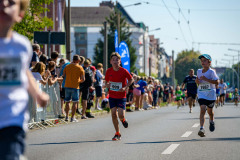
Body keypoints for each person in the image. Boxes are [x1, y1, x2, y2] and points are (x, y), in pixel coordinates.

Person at [0, 0, 49, 159]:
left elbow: (25, 73)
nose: (4, 5)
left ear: (20, 14)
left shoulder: (22, 45)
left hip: (12, 116)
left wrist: (38, 94)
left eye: (11, 2)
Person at [105, 52, 133, 141]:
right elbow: (106, 82)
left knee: (120, 115)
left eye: (117, 60)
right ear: (110, 61)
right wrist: (107, 85)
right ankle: (117, 133)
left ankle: (123, 120)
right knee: (113, 114)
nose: (115, 61)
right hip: (112, 96)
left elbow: (131, 79)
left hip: (121, 96)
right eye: (113, 60)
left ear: (120, 61)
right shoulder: (108, 71)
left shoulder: (123, 71)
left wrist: (125, 87)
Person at [196, 54, 219, 137]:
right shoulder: (198, 71)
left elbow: (217, 82)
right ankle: (201, 128)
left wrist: (207, 80)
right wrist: (197, 81)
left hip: (210, 95)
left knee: (210, 112)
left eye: (204, 60)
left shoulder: (212, 72)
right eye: (201, 60)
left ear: (209, 62)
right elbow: (197, 81)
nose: (202, 62)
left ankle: (211, 121)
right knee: (202, 109)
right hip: (202, 93)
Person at [62, 55, 85, 122]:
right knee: (75, 102)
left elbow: (63, 75)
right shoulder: (80, 68)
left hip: (67, 85)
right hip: (75, 87)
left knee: (67, 102)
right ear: (78, 60)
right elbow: (83, 79)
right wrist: (78, 81)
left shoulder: (67, 66)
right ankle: (72, 117)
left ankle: (66, 116)